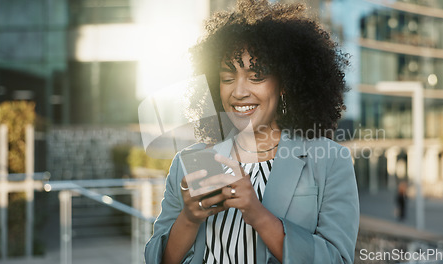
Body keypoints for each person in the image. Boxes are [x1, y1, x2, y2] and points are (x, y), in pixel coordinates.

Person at [144, 0, 359, 263]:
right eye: (227, 78)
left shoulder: (329, 160)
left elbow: (337, 258)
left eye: (256, 76)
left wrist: (257, 213)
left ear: (284, 84)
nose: (239, 91)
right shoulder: (190, 162)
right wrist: (189, 218)